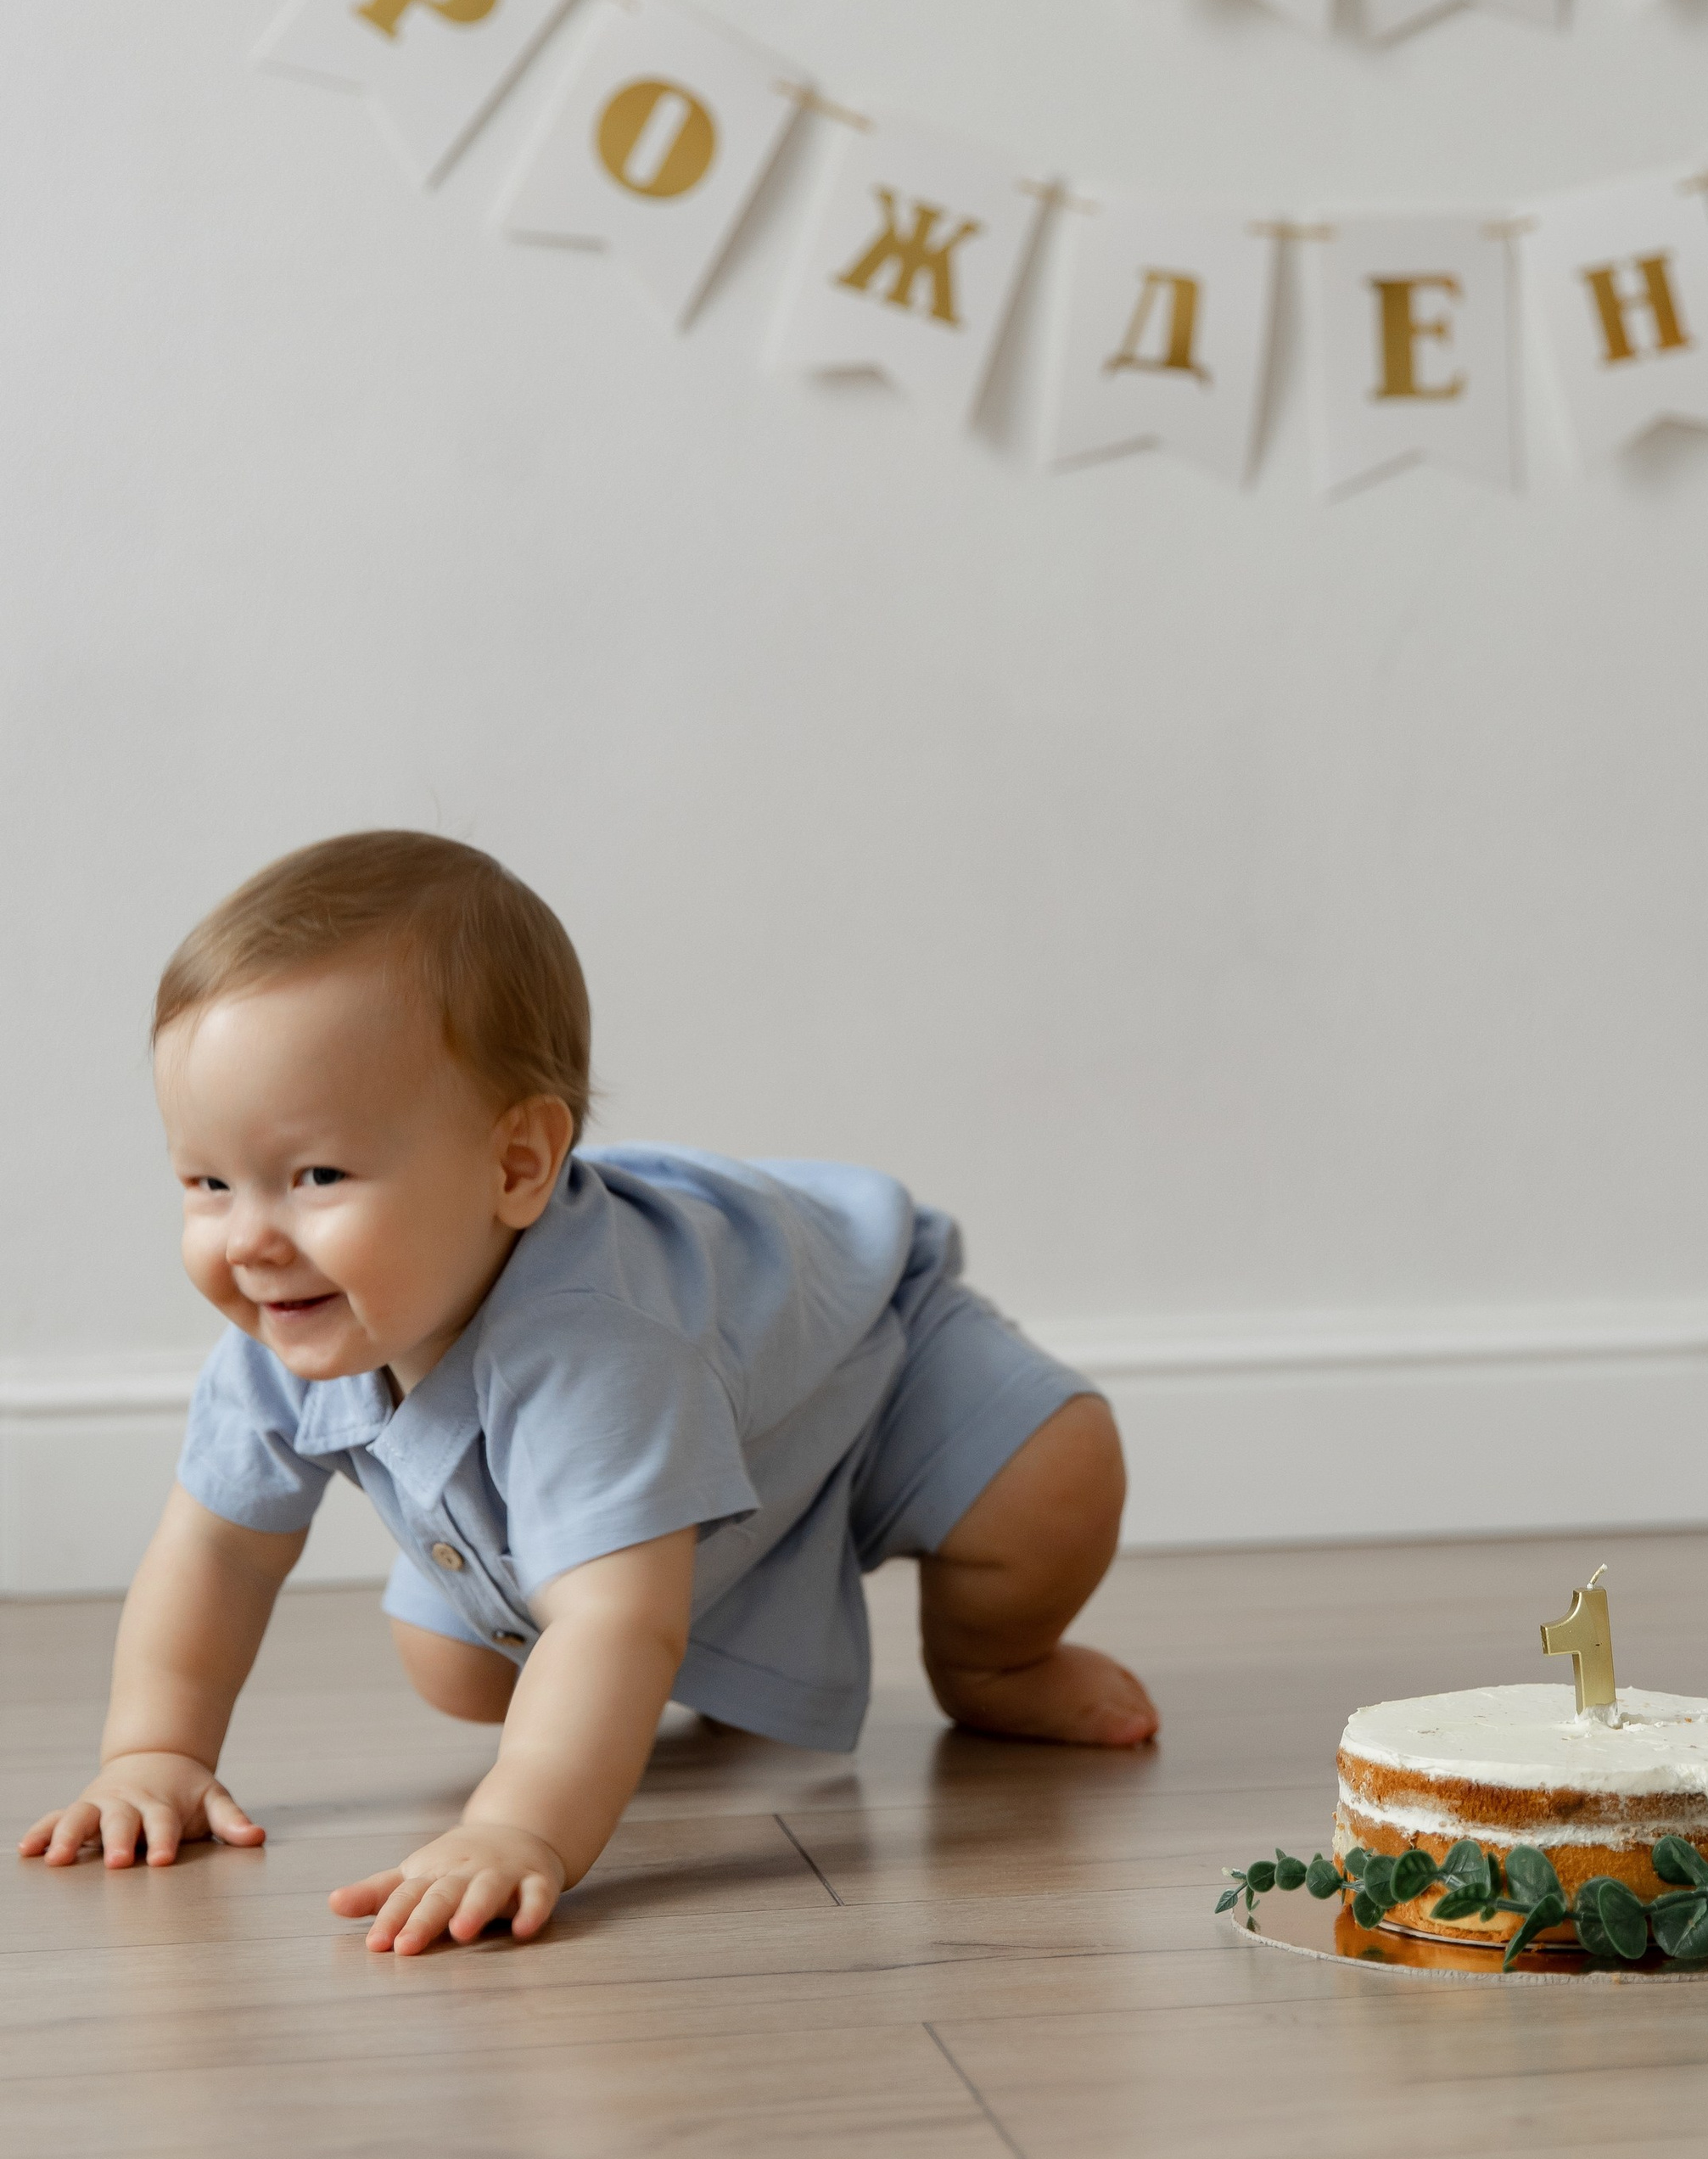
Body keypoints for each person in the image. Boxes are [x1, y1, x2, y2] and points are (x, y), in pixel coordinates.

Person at [18, 832, 1155, 1954]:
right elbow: (218, 1550)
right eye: (208, 1182)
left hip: (874, 1376)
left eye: (316, 1176)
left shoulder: (597, 1343)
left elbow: (615, 1619)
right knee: (459, 1666)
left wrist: (520, 1828)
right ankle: (702, 1627)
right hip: (692, 1467)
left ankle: (996, 1663)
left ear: (517, 1166)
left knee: (1058, 1470)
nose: (252, 1239)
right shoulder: (289, 1325)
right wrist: (153, 1754)